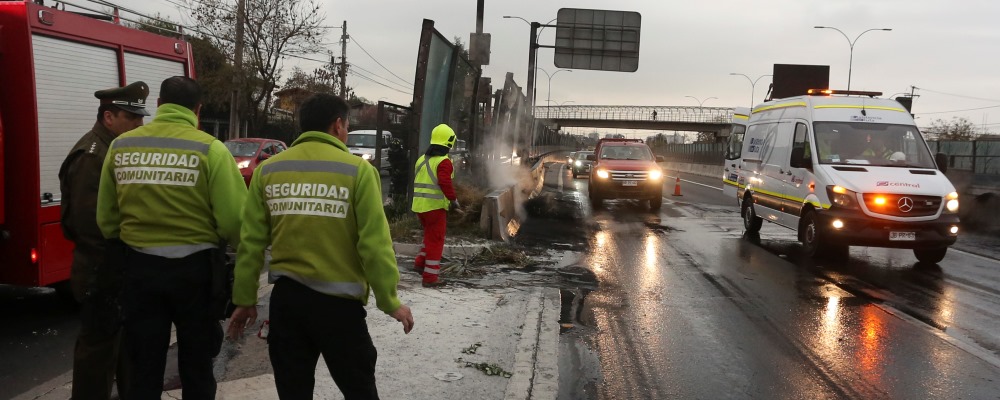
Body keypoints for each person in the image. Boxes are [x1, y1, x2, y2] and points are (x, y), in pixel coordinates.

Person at [227, 93, 414, 400]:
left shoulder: (268, 170)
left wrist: (245, 299)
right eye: (347, 126)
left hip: (287, 305)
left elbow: (251, 243)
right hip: (339, 310)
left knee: (293, 391)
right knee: (359, 391)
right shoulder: (358, 171)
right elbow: (374, 245)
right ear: (338, 125)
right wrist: (389, 300)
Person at [96, 76, 247, 399]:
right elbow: (234, 221)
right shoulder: (211, 149)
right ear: (198, 110)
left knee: (144, 365)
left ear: (159, 105)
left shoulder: (121, 147)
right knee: (196, 364)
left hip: (139, 271)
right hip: (196, 274)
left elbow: (106, 219)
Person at [60, 81, 149, 400]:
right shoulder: (92, 156)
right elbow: (86, 225)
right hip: (102, 274)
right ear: (109, 117)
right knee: (96, 362)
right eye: (132, 117)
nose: (140, 123)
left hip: (117, 274)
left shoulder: (115, 151)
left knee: (127, 354)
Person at [412, 124, 460, 288]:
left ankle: (419, 263)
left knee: (429, 237)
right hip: (434, 208)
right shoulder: (444, 162)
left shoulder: (421, 159)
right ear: (449, 143)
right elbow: (444, 182)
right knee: (436, 241)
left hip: (420, 207)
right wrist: (453, 200)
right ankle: (430, 278)